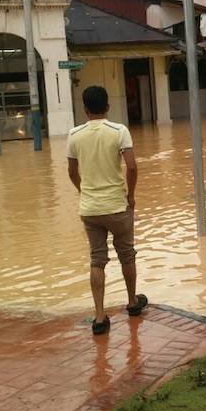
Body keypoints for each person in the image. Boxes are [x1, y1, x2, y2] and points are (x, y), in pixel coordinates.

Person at [67, 86, 146, 335]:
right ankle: (132, 303)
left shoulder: (74, 134)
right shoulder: (119, 131)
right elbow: (132, 167)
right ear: (108, 106)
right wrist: (130, 196)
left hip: (90, 208)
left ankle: (100, 317)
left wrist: (84, 192)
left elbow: (71, 171)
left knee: (97, 260)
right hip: (117, 205)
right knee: (127, 254)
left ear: (85, 108)